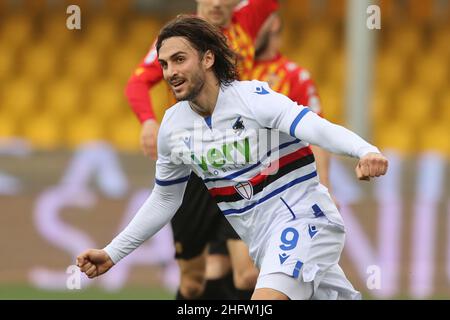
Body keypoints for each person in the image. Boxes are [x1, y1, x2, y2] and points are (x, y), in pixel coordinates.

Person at [78, 16, 388, 300]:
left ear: (208, 58)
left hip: (305, 220)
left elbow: (315, 127)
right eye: (164, 64)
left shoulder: (252, 99)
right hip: (263, 244)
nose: (170, 72)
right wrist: (112, 253)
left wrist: (365, 151)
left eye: (179, 60)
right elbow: (164, 200)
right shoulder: (173, 126)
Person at [125, 0, 278, 300]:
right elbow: (137, 84)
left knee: (246, 272)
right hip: (193, 162)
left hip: (239, 163)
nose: (218, 3)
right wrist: (147, 122)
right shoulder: (176, 38)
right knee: (194, 283)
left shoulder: (246, 21)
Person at [252, 13, 334, 196]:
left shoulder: (292, 76)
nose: (244, 28)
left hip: (278, 190)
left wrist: (325, 189)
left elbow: (316, 136)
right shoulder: (234, 72)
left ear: (273, 23)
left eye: (251, 20)